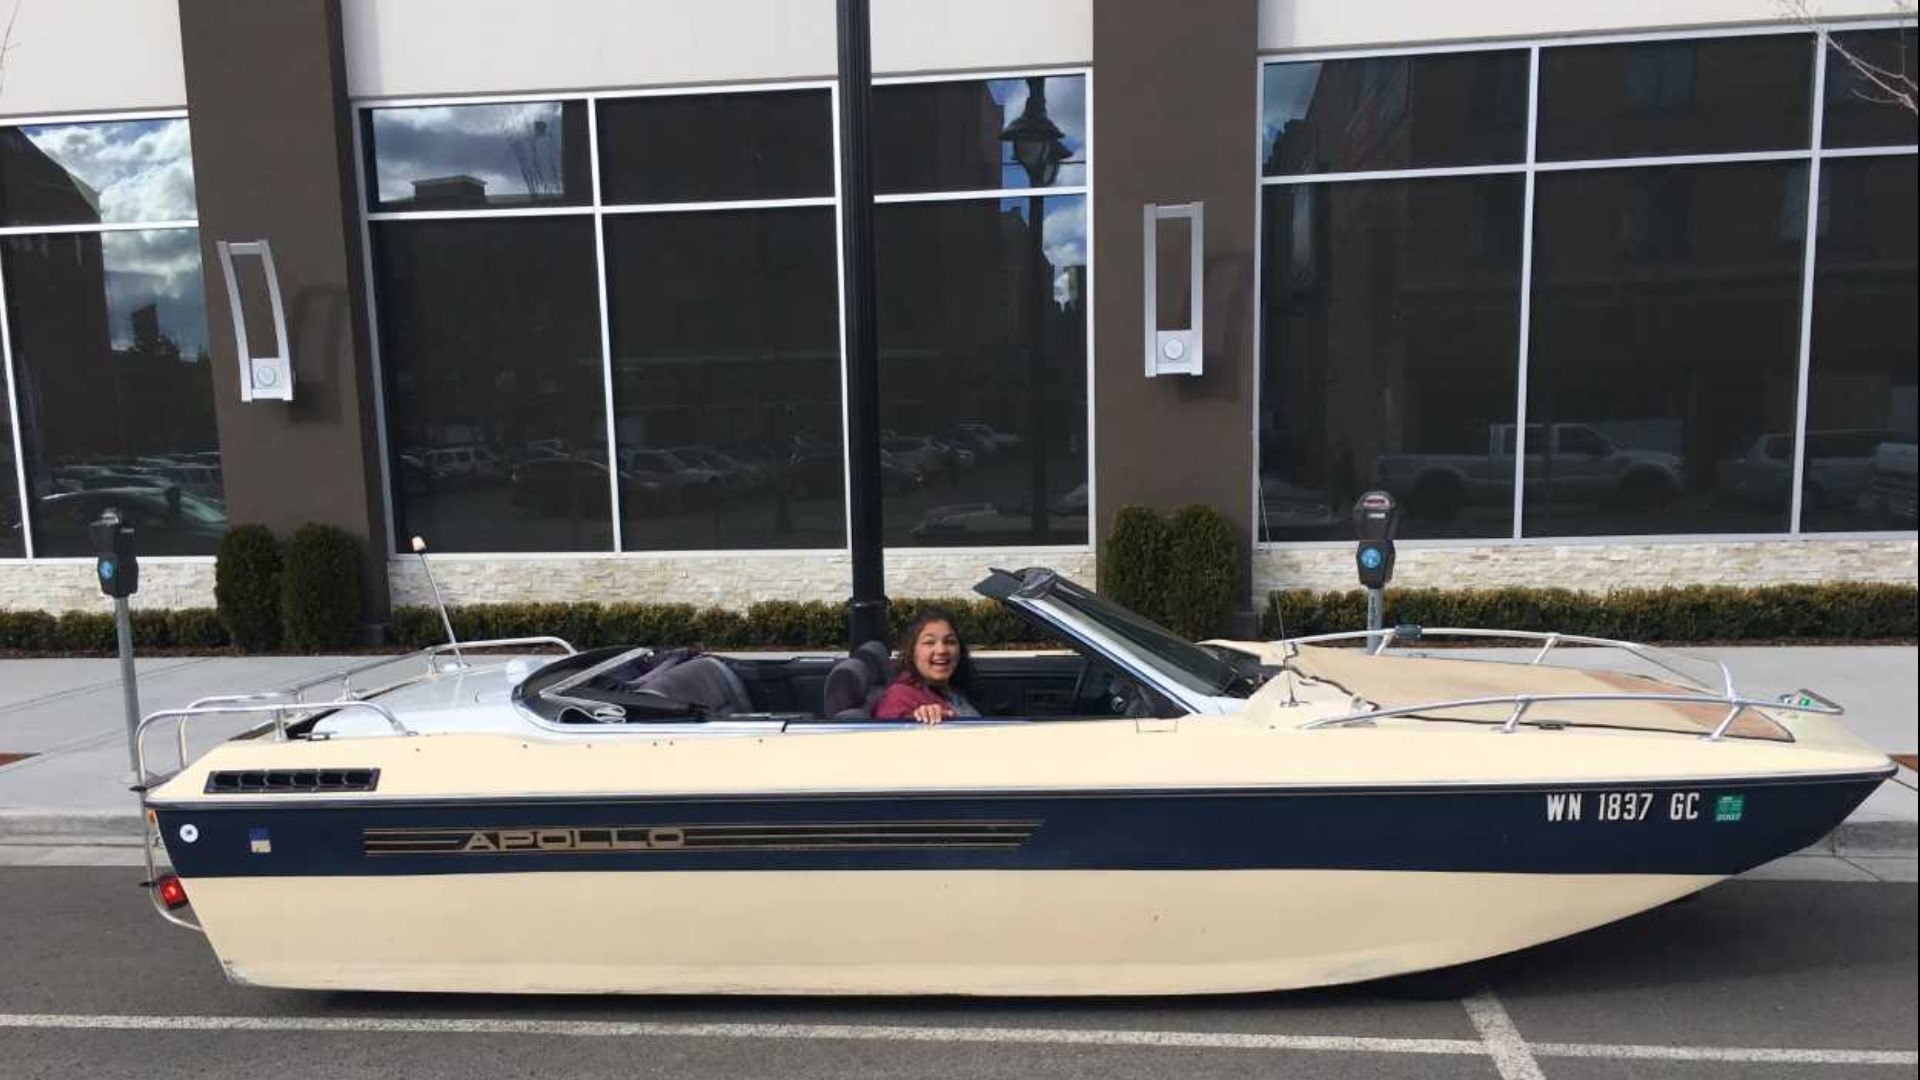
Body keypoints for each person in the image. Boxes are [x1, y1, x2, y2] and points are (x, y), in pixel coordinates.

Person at [871, 609, 980, 724]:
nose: (942, 650)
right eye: (929, 642)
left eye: (950, 642)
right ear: (912, 651)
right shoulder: (897, 698)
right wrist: (921, 719)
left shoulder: (955, 689)